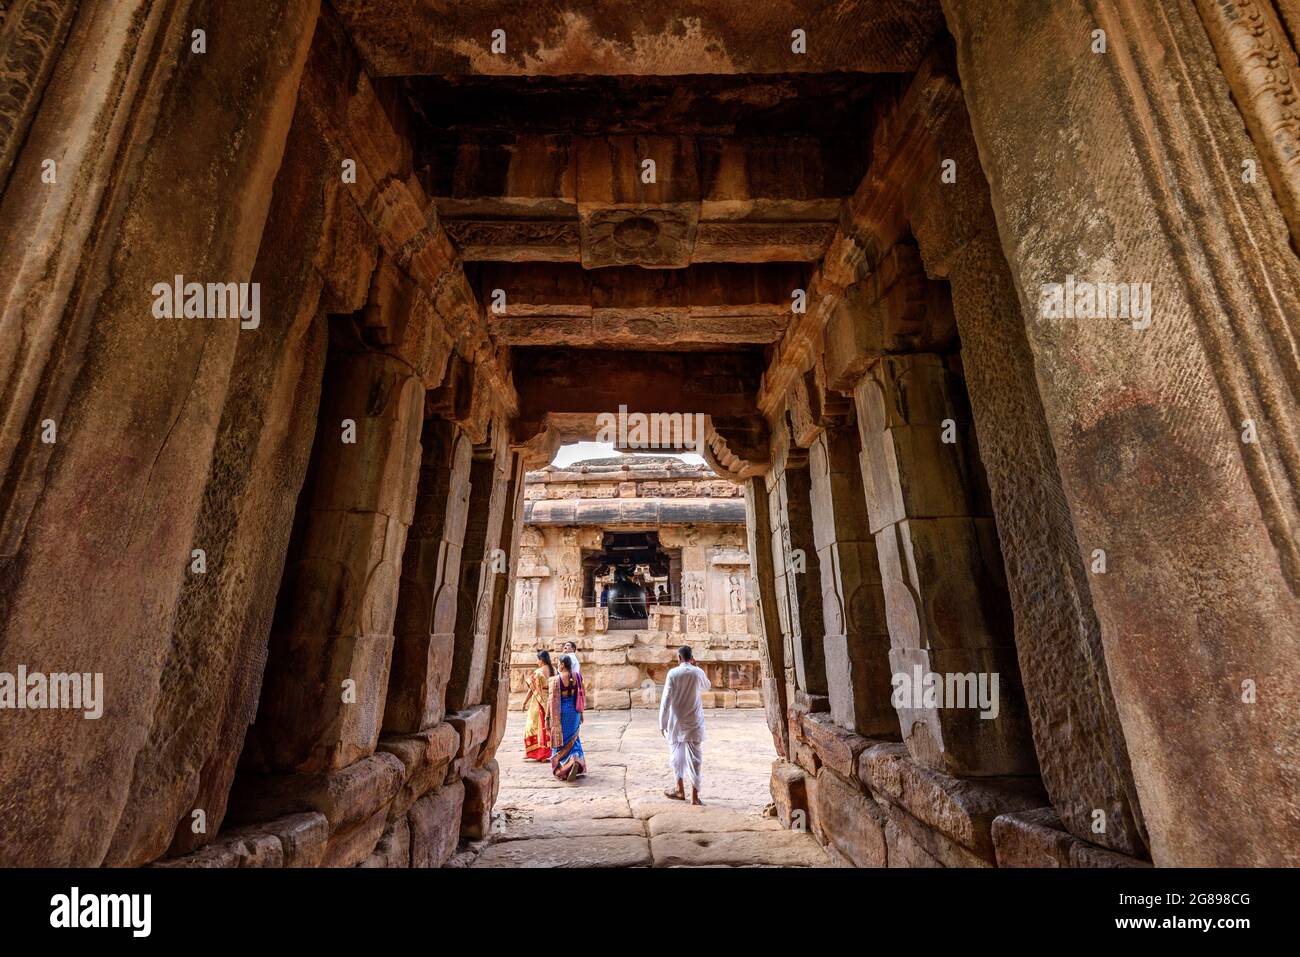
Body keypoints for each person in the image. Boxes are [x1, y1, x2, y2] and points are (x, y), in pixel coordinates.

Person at [659, 645, 711, 805]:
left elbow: (666, 699)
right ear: (691, 657)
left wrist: (662, 722)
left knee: (676, 755)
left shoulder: (673, 673)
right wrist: (698, 667)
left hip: (676, 721)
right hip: (694, 721)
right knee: (695, 757)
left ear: (679, 658)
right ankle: (694, 796)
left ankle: (680, 789)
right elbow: (707, 687)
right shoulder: (698, 672)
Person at [548, 653, 586, 781]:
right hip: (574, 712)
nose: (558, 665)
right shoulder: (578, 676)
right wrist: (581, 713)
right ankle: (575, 758)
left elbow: (551, 701)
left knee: (560, 740)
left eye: (558, 663)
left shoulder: (555, 680)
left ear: (563, 665)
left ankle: (564, 768)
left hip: (561, 713)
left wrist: (548, 719)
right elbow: (581, 695)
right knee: (574, 738)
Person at [523, 650, 554, 761]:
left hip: (538, 701)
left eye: (537, 659)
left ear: (541, 660)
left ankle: (536, 752)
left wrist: (525, 701)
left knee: (532, 726)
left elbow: (532, 690)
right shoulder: (553, 670)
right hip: (550, 700)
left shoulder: (538, 672)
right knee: (547, 726)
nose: (537, 662)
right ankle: (546, 753)